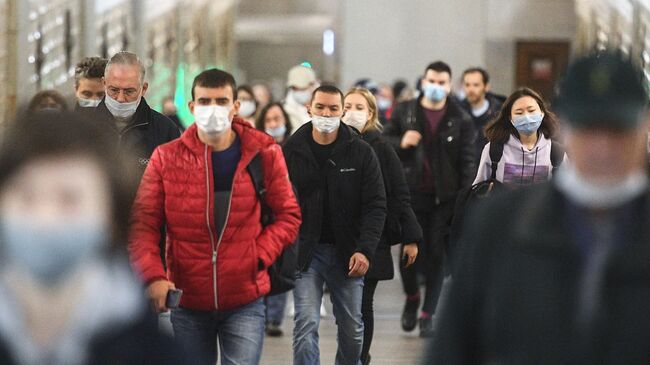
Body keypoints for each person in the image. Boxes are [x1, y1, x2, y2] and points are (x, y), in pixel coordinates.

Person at [427, 51, 650, 364]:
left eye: (617, 129)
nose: (602, 146)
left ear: (644, 128)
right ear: (567, 129)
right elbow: (454, 346)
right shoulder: (499, 224)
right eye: (588, 128)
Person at [128, 68, 301, 365]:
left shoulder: (263, 152)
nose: (213, 109)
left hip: (245, 297)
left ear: (236, 106)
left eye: (222, 101)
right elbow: (144, 223)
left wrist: (257, 255)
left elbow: (288, 215)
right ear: (192, 107)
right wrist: (154, 276)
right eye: (205, 101)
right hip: (188, 299)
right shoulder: (167, 157)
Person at [0, 111, 192, 364]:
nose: (46, 219)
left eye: (69, 199)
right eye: (26, 197)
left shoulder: (156, 353)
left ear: (111, 215)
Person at [283, 85, 387, 365]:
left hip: (348, 253)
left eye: (332, 108)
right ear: (309, 108)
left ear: (342, 111)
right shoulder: (291, 151)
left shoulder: (360, 152)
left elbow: (376, 204)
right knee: (305, 325)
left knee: (353, 331)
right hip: (306, 253)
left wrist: (365, 249)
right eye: (320, 107)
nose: (326, 114)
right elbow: (278, 203)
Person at [384, 61, 476, 337]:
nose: (436, 87)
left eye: (442, 82)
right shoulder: (406, 111)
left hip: (443, 199)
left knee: (437, 252)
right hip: (411, 194)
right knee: (410, 250)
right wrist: (401, 142)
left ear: (449, 86)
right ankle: (412, 296)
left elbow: (467, 162)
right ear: (423, 81)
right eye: (431, 81)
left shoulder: (460, 118)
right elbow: (383, 140)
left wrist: (461, 198)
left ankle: (428, 313)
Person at [343, 87, 422, 365]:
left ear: (371, 113)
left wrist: (410, 237)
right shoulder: (335, 144)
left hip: (373, 235)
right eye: (347, 105)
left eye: (358, 107)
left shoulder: (382, 148)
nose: (351, 112)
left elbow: (399, 193)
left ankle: (361, 357)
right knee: (346, 307)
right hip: (341, 237)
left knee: (363, 304)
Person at [94, 51, 181, 173]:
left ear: (143, 88)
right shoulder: (83, 126)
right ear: (104, 84)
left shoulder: (165, 130)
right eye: (114, 90)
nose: (120, 98)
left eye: (129, 91)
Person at [254, 101, 293, 337]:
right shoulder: (256, 149)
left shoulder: (293, 148)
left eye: (277, 119)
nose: (274, 124)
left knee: (280, 267)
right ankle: (262, 312)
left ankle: (274, 319)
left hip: (284, 216)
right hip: (259, 215)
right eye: (269, 120)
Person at [473, 87, 562, 186]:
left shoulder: (556, 152)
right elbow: (478, 189)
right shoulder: (494, 150)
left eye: (531, 110)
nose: (526, 117)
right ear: (511, 118)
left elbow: (569, 191)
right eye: (519, 113)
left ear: (542, 113)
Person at [459, 67, 504, 163]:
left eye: (476, 85)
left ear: (486, 86)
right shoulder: (458, 113)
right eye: (467, 85)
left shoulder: (500, 114)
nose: (471, 89)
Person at [283, 65, 318, 132]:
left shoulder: (326, 107)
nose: (298, 92)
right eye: (295, 88)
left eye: (302, 89)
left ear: (313, 85)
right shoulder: (284, 111)